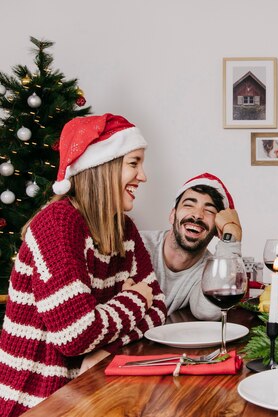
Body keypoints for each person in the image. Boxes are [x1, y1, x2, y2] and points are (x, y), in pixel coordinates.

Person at [0, 114, 167, 417]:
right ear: (103, 167)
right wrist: (135, 298)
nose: (143, 176)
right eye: (134, 163)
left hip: (89, 392)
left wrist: (104, 351)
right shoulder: (57, 224)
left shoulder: (124, 229)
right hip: (39, 404)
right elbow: (76, 334)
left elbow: (159, 309)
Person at [141, 173, 243, 320]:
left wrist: (232, 235)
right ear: (172, 215)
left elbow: (208, 311)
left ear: (217, 230)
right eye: (188, 205)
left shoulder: (208, 271)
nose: (197, 215)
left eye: (209, 210)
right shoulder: (138, 244)